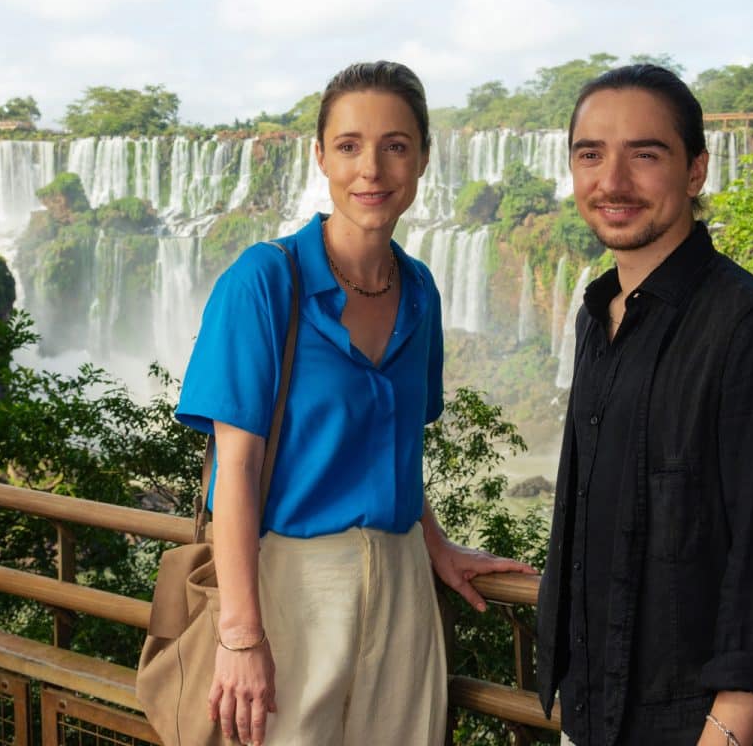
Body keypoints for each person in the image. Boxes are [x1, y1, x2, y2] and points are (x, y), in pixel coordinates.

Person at [176, 60, 534, 746]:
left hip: (402, 585)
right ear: (321, 157)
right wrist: (242, 636)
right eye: (348, 145)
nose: (371, 168)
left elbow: (394, 444)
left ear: (423, 158)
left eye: (396, 145)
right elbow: (237, 472)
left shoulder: (421, 291)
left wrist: (436, 545)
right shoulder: (263, 281)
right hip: (290, 583)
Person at [535, 64, 753, 746]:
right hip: (596, 716)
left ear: (696, 171)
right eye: (591, 155)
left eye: (645, 154)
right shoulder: (596, 316)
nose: (612, 181)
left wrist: (723, 736)